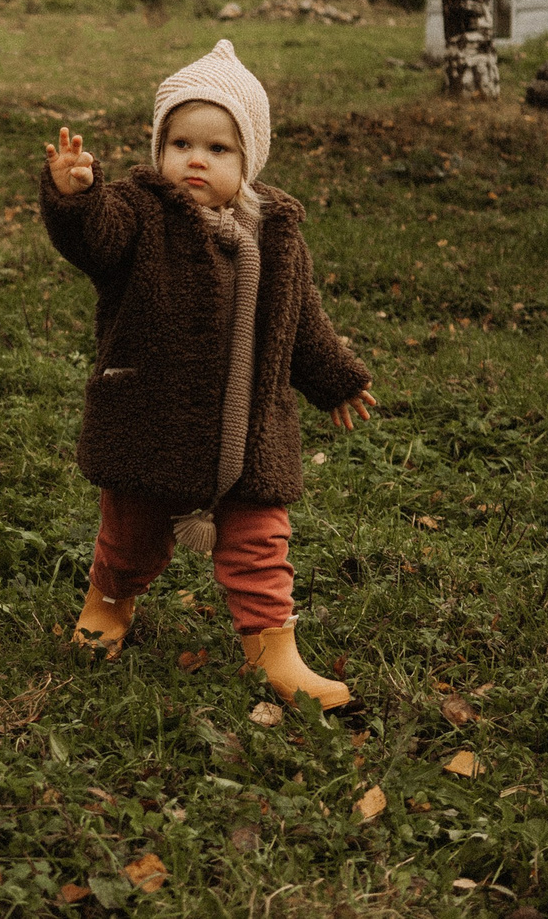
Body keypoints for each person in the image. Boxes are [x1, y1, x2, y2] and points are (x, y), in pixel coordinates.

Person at [39, 38, 376, 709]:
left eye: (218, 149)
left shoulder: (277, 232)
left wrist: (335, 376)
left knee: (260, 542)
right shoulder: (139, 213)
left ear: (248, 160)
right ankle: (108, 603)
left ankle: (273, 652)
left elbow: (301, 321)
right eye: (181, 143)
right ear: (159, 147)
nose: (196, 158)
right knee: (131, 533)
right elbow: (94, 237)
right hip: (150, 417)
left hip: (250, 435)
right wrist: (76, 196)